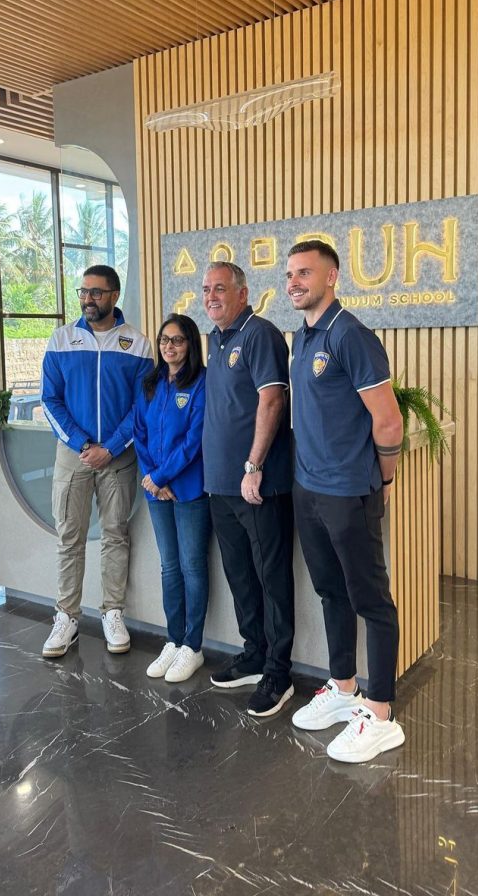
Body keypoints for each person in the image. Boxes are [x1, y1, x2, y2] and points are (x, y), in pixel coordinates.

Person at [285, 240, 405, 763]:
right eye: (290, 274)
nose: (294, 282)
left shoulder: (351, 335)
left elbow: (389, 421)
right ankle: (344, 686)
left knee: (370, 600)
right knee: (330, 591)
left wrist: (382, 478)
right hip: (308, 488)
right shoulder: (301, 336)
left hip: (349, 491)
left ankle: (380, 712)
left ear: (331, 277)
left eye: (304, 273)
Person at [41, 265, 152, 659]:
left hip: (118, 458)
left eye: (97, 292)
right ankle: (66, 617)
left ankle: (112, 612)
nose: (88, 299)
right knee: (69, 538)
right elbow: (50, 400)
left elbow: (142, 405)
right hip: (73, 456)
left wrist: (113, 446)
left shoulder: (137, 344)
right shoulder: (61, 340)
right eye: (83, 291)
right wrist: (81, 442)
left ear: (114, 295)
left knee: (115, 535)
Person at [202, 261, 296, 717]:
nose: (211, 296)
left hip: (257, 484)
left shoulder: (261, 335)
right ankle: (254, 653)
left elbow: (272, 400)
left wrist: (254, 466)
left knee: (271, 578)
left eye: (220, 288)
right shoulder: (215, 339)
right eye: (206, 289)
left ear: (243, 293)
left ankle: (279, 672)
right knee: (240, 575)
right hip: (220, 486)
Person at [133, 314, 210, 683]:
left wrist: (162, 476)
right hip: (156, 490)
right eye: (165, 339)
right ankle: (174, 639)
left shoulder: (201, 382)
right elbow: (140, 432)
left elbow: (195, 440)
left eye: (178, 340)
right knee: (169, 567)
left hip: (189, 489)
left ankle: (193, 646)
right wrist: (152, 478)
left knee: (192, 566)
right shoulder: (150, 383)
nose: (169, 346)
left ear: (190, 344)